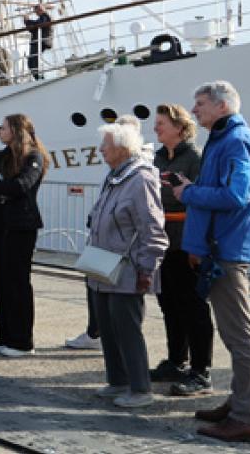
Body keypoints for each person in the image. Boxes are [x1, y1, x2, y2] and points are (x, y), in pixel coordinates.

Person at [171, 81, 250, 444]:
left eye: (200, 104)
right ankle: (238, 404)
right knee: (235, 334)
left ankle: (245, 417)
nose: (194, 110)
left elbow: (236, 195)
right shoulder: (228, 140)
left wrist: (189, 191)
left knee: (240, 337)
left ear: (222, 106)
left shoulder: (235, 142)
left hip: (225, 252)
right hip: (222, 248)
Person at [87, 122, 168, 409]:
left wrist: (147, 268)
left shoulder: (140, 179)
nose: (101, 150)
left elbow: (152, 227)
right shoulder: (114, 176)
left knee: (127, 329)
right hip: (103, 264)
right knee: (108, 327)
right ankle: (118, 381)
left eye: (105, 145)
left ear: (122, 148)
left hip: (128, 267)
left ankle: (140, 388)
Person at [149, 103, 211, 395]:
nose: (155, 128)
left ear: (179, 127)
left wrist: (200, 244)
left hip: (186, 242)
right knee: (169, 303)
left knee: (193, 305)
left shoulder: (195, 159)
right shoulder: (158, 158)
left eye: (161, 123)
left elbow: (200, 199)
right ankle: (176, 360)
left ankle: (201, 370)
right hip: (163, 242)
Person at [0, 114, 48, 357]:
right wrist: (4, 190)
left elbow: (22, 186)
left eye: (3, 128)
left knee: (17, 282)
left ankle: (22, 341)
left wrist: (1, 188)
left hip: (21, 226)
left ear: (16, 131)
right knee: (1, 281)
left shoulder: (34, 157)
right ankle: (6, 337)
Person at [24, 3, 53, 80]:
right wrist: (26, 21)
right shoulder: (42, 17)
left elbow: (37, 25)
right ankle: (38, 78)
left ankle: (39, 78)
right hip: (37, 42)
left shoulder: (45, 16)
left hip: (41, 41)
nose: (36, 13)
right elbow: (33, 29)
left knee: (33, 61)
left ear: (41, 9)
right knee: (31, 62)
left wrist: (27, 21)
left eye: (37, 11)